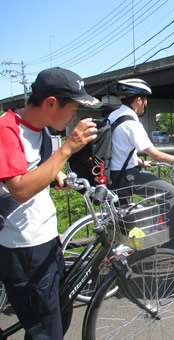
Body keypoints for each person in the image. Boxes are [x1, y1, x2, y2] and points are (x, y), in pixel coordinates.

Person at [0, 67, 101, 339]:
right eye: (73, 108)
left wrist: (55, 172)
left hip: (47, 240)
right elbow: (19, 189)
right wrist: (67, 148)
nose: (75, 116)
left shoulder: (41, 130)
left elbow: (33, 168)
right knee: (45, 331)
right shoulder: (6, 129)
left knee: (60, 313)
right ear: (51, 103)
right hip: (23, 248)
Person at [108, 78, 174, 238]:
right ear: (139, 100)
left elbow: (118, 147)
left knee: (123, 217)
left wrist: (140, 162)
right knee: (171, 192)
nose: (145, 104)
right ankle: (172, 240)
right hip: (128, 177)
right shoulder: (131, 123)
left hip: (114, 175)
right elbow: (154, 153)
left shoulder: (113, 116)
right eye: (145, 100)